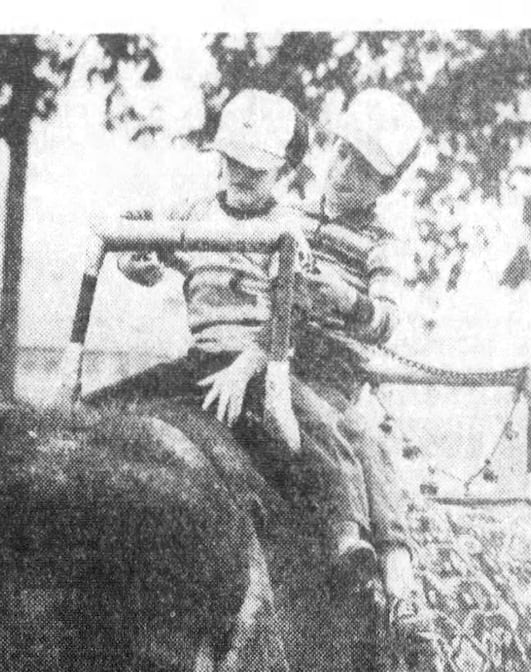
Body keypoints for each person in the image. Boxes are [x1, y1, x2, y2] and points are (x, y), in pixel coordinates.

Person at [99, 89, 389, 592]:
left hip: (262, 361)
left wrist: (248, 366)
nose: (238, 178)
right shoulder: (195, 211)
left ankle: (348, 530)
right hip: (202, 358)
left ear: (285, 171)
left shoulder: (291, 226)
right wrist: (134, 258)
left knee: (316, 425)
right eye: (230, 162)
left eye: (254, 170)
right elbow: (137, 227)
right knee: (105, 411)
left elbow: (294, 311)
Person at [210, 88, 430, 640]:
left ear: (387, 187)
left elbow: (386, 320)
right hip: (282, 356)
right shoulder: (295, 217)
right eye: (343, 152)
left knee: (369, 445)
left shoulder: (380, 243)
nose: (347, 171)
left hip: (337, 375)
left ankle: (394, 580)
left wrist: (345, 298)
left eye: (367, 169)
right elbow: (241, 255)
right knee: (291, 417)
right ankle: (325, 532)